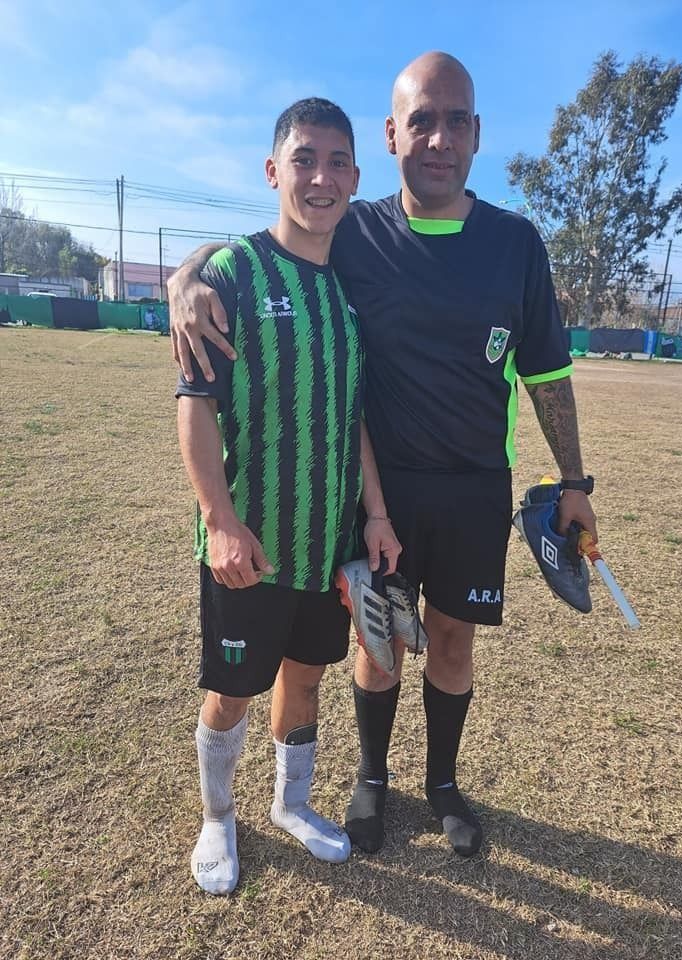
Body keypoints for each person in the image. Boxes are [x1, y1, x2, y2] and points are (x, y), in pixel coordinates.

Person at [168, 52, 597, 860]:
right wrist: (187, 274)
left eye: (456, 121)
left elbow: (546, 372)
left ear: (477, 134)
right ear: (394, 135)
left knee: (451, 642)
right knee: (378, 641)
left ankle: (442, 785)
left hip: (473, 488)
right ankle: (369, 779)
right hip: (380, 495)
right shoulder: (359, 232)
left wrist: (574, 481)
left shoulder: (515, 243)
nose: (439, 139)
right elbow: (276, 243)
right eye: (421, 121)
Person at [175, 97, 401, 895]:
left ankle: (291, 803)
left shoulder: (348, 290)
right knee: (232, 691)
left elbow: (356, 417)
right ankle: (217, 817)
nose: (321, 177)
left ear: (356, 178)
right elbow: (195, 405)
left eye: (337, 162)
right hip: (251, 544)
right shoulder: (233, 274)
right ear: (274, 171)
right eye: (304, 159)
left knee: (305, 678)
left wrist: (375, 515)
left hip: (325, 541)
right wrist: (219, 520)